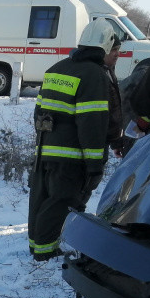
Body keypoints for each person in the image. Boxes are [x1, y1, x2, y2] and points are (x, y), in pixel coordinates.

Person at [27, 19, 114, 261]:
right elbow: (92, 122)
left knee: (41, 198)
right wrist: (95, 164)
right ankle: (45, 253)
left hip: (45, 148)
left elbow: (38, 112)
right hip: (71, 154)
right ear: (105, 45)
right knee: (61, 201)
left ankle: (37, 247)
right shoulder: (94, 75)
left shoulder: (56, 69)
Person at [104, 35, 124, 158]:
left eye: (118, 49)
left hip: (104, 141)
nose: (117, 54)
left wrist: (116, 142)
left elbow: (114, 109)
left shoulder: (109, 70)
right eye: (113, 50)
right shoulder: (97, 75)